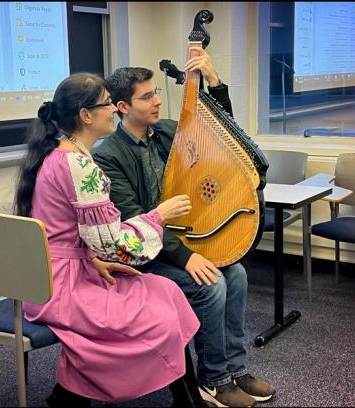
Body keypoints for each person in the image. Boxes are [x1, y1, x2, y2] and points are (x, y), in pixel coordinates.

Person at [92, 47, 276, 408]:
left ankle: (235, 369)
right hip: (145, 254)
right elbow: (134, 217)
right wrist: (187, 257)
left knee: (236, 273)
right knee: (212, 284)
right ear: (123, 107)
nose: (158, 101)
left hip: (185, 242)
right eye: (147, 96)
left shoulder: (167, 134)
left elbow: (228, 138)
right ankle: (213, 380)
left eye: (156, 91)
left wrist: (214, 81)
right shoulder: (108, 155)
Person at [14, 72, 209, 407]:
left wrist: (92, 259)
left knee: (167, 290)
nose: (114, 112)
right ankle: (75, 394)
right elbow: (117, 246)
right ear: (86, 116)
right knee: (158, 313)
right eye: (107, 105)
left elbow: (70, 235)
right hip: (63, 288)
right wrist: (159, 216)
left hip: (59, 276)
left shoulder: (59, 155)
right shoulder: (78, 165)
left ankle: (183, 398)